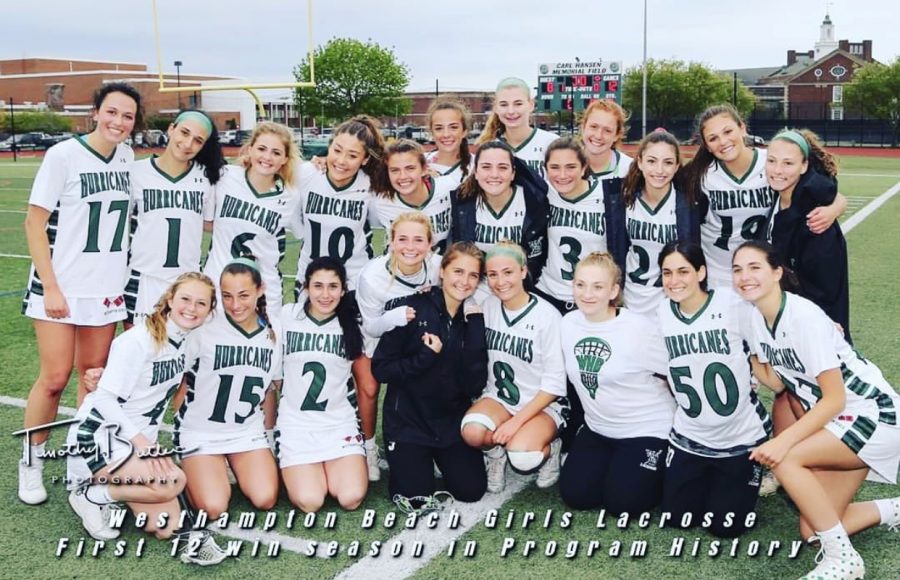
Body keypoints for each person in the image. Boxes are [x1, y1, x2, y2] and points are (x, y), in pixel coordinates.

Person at [733, 241, 900, 580]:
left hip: (872, 415)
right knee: (812, 531)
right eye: (737, 269)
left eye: (755, 267)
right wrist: (746, 352)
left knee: (788, 458)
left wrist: (783, 443)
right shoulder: (754, 317)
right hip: (838, 423)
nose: (744, 276)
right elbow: (778, 383)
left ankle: (845, 560)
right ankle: (893, 508)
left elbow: (835, 398)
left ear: (777, 272)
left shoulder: (803, 316)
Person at [19, 82, 142, 505]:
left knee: (94, 381)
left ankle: (83, 461)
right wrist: (51, 285)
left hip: (105, 288)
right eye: (112, 112)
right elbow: (34, 224)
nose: (119, 122)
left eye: (127, 116)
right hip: (62, 286)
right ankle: (31, 461)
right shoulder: (63, 156)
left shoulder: (127, 158)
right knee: (54, 379)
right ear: (95, 112)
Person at [65, 272, 227, 565]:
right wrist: (141, 442)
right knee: (173, 480)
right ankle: (91, 496)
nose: (191, 308)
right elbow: (103, 399)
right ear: (170, 299)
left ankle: (117, 490)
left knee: (167, 527)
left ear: (210, 311)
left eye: (201, 303)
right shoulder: (137, 340)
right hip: (98, 438)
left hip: (133, 445)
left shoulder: (188, 342)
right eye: (185, 299)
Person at [294, 115, 391, 480]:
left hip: (353, 293)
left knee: (365, 379)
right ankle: (292, 438)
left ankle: (367, 445)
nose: (341, 160)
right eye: (336, 150)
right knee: (298, 371)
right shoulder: (308, 175)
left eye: (353, 155)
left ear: (365, 159)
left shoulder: (371, 188)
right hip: (309, 288)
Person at [656, 241, 770, 538]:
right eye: (667, 273)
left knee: (726, 528)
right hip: (690, 437)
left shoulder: (732, 304)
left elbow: (773, 319)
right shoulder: (662, 313)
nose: (674, 280)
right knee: (676, 519)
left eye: (683, 271)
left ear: (702, 272)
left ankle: (733, 483)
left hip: (739, 437)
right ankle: (707, 482)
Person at [373, 242, 488, 510]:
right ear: (442, 272)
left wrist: (475, 332)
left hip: (449, 423)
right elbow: (381, 368)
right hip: (408, 423)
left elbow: (475, 383)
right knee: (415, 499)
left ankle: (439, 459)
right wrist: (424, 358)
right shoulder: (411, 309)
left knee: (471, 490)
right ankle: (413, 461)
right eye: (458, 271)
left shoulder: (475, 316)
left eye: (473, 275)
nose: (464, 281)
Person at [558, 252, 674, 515]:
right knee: (577, 496)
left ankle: (667, 465)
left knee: (623, 505)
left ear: (614, 291)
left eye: (597, 286)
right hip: (598, 428)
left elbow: (673, 371)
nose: (587, 294)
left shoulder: (637, 328)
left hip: (644, 428)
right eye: (580, 284)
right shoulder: (568, 324)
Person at [683, 104, 846, 289]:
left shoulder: (770, 162)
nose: (723, 141)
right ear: (707, 146)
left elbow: (819, 191)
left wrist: (835, 207)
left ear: (742, 128)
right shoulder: (700, 176)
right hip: (717, 274)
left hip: (763, 273)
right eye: (713, 138)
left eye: (728, 131)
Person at [174, 258, 281, 517]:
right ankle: (195, 466)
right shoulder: (204, 327)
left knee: (265, 498)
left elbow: (269, 390)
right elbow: (177, 380)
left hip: (245, 432)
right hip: (201, 433)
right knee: (213, 507)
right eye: (227, 296)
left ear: (260, 289)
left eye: (244, 295)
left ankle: (227, 466)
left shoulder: (274, 333)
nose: (235, 305)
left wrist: (268, 438)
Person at [460, 242, 567, 492]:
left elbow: (554, 385)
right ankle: (495, 455)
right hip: (500, 398)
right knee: (473, 432)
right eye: (492, 275)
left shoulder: (548, 316)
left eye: (508, 272)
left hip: (542, 403)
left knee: (522, 456)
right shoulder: (487, 307)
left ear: (523, 271)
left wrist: (515, 423)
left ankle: (552, 449)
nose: (500, 282)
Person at [355, 212, 442, 480]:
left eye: (418, 240)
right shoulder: (372, 276)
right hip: (377, 336)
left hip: (417, 335)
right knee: (369, 387)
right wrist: (391, 318)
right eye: (402, 239)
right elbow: (370, 327)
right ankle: (368, 448)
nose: (410, 247)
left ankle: (434, 438)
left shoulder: (438, 267)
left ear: (430, 244)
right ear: (391, 241)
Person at [276, 257, 368, 512]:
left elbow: (366, 385)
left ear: (343, 289)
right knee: (311, 501)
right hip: (296, 425)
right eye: (318, 286)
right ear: (305, 287)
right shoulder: (288, 316)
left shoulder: (352, 324)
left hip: (338, 424)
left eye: (332, 286)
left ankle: (335, 464)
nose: (325, 294)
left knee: (351, 497)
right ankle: (300, 469)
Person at [125, 109, 226, 327]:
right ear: (171, 129)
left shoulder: (207, 178)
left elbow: (210, 223)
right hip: (143, 276)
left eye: (198, 140)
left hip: (186, 281)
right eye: (184, 133)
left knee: (181, 355)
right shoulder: (136, 172)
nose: (188, 144)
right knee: (138, 351)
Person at [203, 121, 304, 321]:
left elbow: (302, 233)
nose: (267, 157)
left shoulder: (290, 195)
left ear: (285, 159)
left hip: (263, 289)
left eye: (276, 152)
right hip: (217, 282)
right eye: (262, 149)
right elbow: (206, 222)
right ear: (250, 150)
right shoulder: (225, 177)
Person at [763, 129, 850, 341]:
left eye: (788, 163)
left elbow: (822, 292)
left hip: (811, 334)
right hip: (786, 325)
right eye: (771, 161)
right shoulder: (782, 197)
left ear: (804, 166)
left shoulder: (815, 220)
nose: (777, 170)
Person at [450, 140, 549, 303]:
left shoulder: (533, 201)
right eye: (486, 167)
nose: (494, 174)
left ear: (513, 173)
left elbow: (536, 259)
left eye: (502, 167)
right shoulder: (462, 203)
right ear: (475, 172)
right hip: (474, 293)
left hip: (519, 293)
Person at [617, 130, 699, 315]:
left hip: (670, 300)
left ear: (677, 166)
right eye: (652, 161)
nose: (659, 170)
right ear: (640, 162)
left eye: (668, 162)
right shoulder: (623, 200)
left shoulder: (688, 204)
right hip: (631, 299)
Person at [534, 137, 614, 313]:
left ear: (584, 167)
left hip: (591, 298)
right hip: (548, 295)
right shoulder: (545, 194)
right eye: (555, 167)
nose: (562, 175)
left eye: (571, 167)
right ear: (545, 169)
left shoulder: (607, 197)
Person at [371, 140, 454, 253]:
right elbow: (375, 237)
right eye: (395, 170)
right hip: (399, 268)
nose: (403, 176)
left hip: (439, 267)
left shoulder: (448, 188)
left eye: (410, 168)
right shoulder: (380, 202)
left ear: (424, 169)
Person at [477, 77, 559, 178]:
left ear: (531, 105)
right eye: (504, 104)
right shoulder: (488, 146)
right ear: (496, 108)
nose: (511, 111)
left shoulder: (552, 142)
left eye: (518, 104)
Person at [579, 99, 633, 183]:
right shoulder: (562, 165)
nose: (598, 136)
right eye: (593, 126)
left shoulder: (630, 169)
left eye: (607, 130)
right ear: (583, 127)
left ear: (616, 135)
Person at [425, 96, 472, 184]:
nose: (446, 134)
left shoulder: (478, 166)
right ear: (432, 133)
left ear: (464, 131)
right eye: (439, 128)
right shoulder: (419, 164)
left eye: (453, 127)